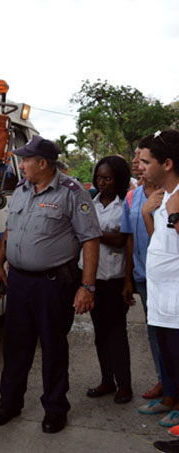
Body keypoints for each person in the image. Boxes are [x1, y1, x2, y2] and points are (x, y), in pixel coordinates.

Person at [0, 136, 101, 434]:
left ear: (42, 163)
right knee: (15, 347)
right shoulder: (21, 190)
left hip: (53, 285)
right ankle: (10, 403)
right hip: (19, 282)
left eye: (26, 160)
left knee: (52, 347)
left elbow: (90, 239)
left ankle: (55, 408)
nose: (21, 164)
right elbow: (11, 230)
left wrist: (87, 287)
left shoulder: (72, 193)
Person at [81, 155, 133, 404]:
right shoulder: (90, 203)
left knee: (116, 333)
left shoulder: (125, 205)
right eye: (99, 178)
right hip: (93, 279)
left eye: (108, 178)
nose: (102, 183)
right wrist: (102, 235)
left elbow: (122, 239)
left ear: (119, 179)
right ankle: (106, 380)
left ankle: (124, 384)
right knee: (100, 332)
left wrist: (93, 234)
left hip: (114, 278)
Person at [139, 130, 179, 436]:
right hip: (161, 293)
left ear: (166, 163)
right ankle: (170, 398)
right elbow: (161, 244)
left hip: (177, 295)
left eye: (146, 160)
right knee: (166, 352)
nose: (140, 166)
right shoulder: (163, 196)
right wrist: (146, 213)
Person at [122, 145, 169, 405]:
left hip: (169, 279)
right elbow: (129, 239)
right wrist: (128, 278)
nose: (138, 165)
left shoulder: (170, 195)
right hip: (143, 276)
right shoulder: (133, 197)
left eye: (143, 160)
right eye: (137, 160)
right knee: (155, 332)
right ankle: (165, 380)